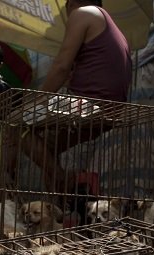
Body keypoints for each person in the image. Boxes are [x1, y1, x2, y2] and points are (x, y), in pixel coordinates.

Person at [23, 0, 132, 193]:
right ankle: (61, 211)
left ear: (71, 4)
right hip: (110, 112)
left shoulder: (82, 13)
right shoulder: (111, 26)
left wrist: (37, 101)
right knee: (47, 151)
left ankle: (63, 180)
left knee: (16, 124)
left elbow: (61, 66)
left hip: (88, 106)